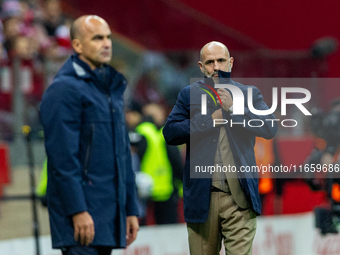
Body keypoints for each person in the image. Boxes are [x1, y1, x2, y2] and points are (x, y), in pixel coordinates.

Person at [163, 41, 278, 255]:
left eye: (221, 61)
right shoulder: (188, 95)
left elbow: (270, 127)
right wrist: (207, 121)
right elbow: (170, 133)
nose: (216, 67)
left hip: (240, 199)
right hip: (202, 200)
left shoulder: (250, 94)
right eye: (210, 62)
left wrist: (234, 108)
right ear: (200, 66)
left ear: (231, 63)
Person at [40, 15, 139, 255]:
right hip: (82, 216)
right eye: (97, 38)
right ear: (77, 46)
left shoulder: (110, 90)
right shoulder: (64, 90)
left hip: (109, 211)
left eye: (108, 37)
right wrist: (77, 210)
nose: (106, 43)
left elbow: (122, 154)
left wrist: (130, 208)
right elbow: (63, 159)